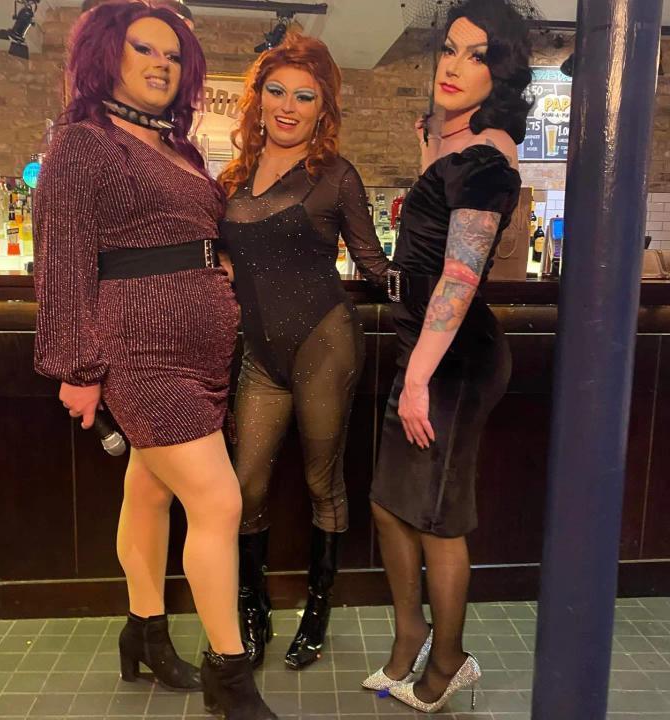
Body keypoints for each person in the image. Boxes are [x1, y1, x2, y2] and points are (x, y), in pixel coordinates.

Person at [33, 3, 275, 717]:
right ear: (107, 53)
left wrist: (220, 265)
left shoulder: (178, 148)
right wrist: (76, 368)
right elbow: (62, 258)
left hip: (202, 351)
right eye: (145, 49)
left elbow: (192, 234)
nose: (162, 64)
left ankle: (144, 632)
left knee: (149, 491)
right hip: (140, 350)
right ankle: (229, 676)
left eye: (173, 55)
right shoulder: (83, 144)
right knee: (218, 501)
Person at [366, 0, 534, 712]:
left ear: (502, 73)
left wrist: (418, 379)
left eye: (478, 56)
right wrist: (428, 142)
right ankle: (411, 635)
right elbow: (431, 239)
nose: (455, 66)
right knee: (388, 504)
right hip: (423, 348)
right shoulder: (454, 143)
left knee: (437, 518)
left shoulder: (489, 158)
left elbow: (460, 278)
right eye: (450, 49)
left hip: (453, 360)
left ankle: (450, 659)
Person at [217, 33, 391, 670]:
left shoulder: (336, 177)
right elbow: (220, 257)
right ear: (259, 100)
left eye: (305, 96)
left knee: (323, 481)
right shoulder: (231, 177)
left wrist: (447, 284)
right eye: (277, 91)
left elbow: (374, 266)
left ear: (324, 109)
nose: (288, 106)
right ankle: (253, 605)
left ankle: (318, 609)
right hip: (261, 353)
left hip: (326, 343)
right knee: (245, 486)